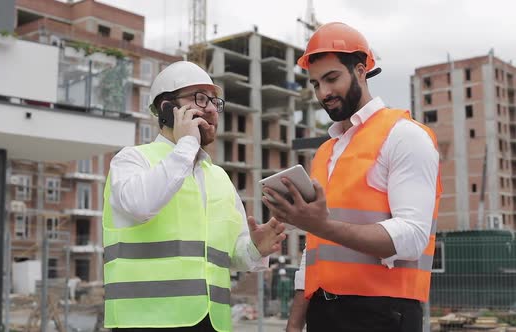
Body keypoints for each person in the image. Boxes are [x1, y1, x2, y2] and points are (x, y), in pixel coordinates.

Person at [261, 22, 442, 332]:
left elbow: (412, 237)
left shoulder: (404, 136)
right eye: (316, 83)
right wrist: (294, 324)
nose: (323, 93)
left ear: (360, 70)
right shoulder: (325, 152)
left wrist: (322, 225)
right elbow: (315, 248)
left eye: (332, 78)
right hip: (323, 312)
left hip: (383, 314)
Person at [102, 60, 287, 332]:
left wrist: (255, 248)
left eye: (214, 101)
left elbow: (229, 256)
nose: (212, 109)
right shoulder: (131, 160)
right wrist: (186, 143)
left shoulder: (219, 178)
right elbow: (141, 205)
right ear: (167, 109)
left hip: (212, 323)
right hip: (144, 322)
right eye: (199, 99)